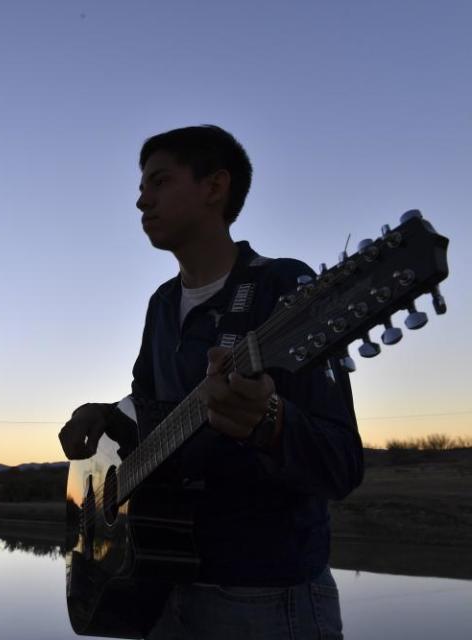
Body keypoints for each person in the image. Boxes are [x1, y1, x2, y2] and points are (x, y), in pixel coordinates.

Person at [59, 125, 363, 639]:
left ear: (213, 187)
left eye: (158, 182)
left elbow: (342, 465)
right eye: (140, 187)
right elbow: (151, 419)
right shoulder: (161, 305)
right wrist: (106, 416)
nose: (140, 201)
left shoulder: (284, 288)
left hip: (264, 599)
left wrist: (269, 422)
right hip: (160, 589)